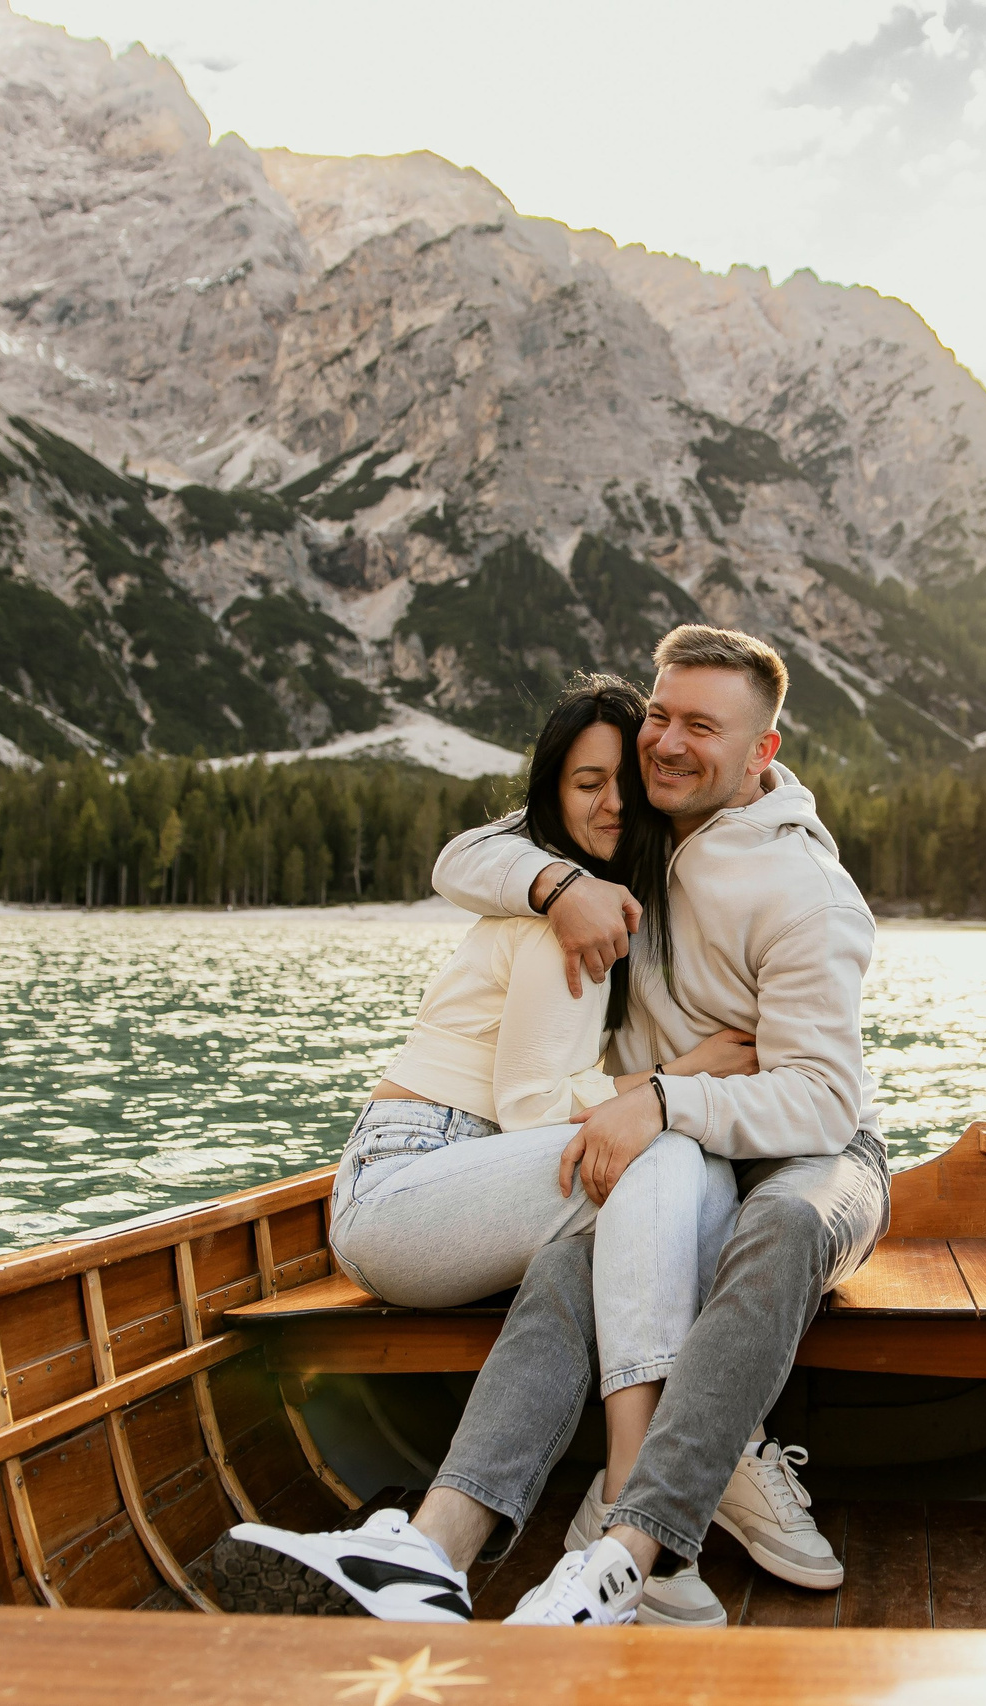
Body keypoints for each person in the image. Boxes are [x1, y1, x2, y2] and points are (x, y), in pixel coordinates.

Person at [215, 625, 890, 1629]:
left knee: (763, 1220)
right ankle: (444, 1546)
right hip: (667, 1148)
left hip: (803, 1153)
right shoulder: (633, 836)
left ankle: (637, 1530)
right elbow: (473, 849)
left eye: (700, 725)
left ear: (763, 752)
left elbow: (821, 1102)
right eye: (659, 713)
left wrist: (659, 1099)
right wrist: (559, 884)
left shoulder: (801, 891)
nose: (662, 744)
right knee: (583, 1243)